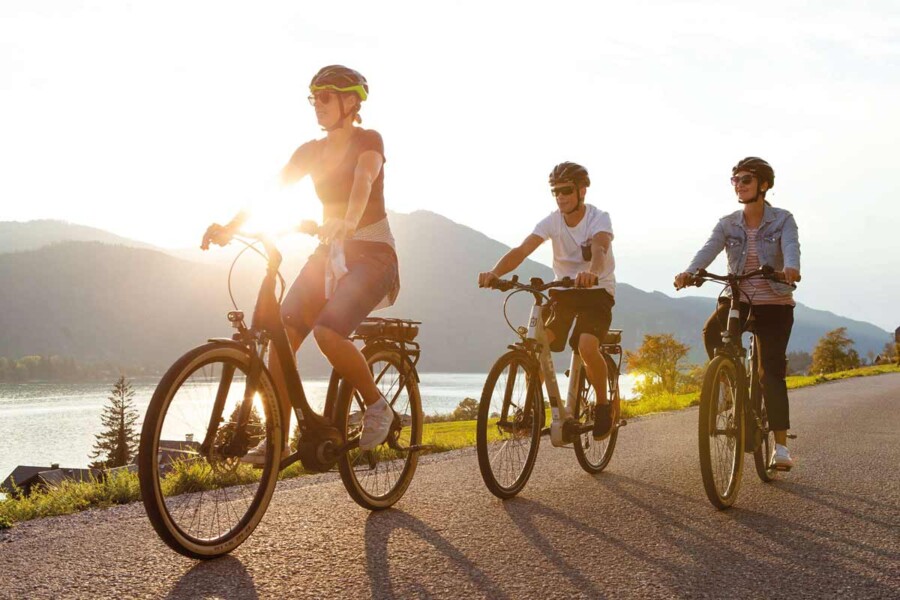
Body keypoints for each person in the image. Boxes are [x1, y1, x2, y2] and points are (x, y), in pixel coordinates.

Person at [202, 65, 400, 459]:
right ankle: (279, 434)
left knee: (328, 333)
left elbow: (364, 178)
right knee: (282, 335)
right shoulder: (310, 151)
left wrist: (348, 219)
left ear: (350, 101)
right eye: (314, 97)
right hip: (331, 252)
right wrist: (231, 226)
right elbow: (271, 189)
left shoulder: (368, 141)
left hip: (374, 255)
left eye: (325, 96)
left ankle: (378, 407)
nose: (318, 104)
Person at [674, 157, 801, 470]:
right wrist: (690, 272)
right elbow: (709, 249)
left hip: (774, 302)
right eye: (735, 180)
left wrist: (791, 269)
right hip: (738, 298)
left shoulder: (783, 219)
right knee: (711, 332)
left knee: (769, 371)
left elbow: (792, 246)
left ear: (764, 185)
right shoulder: (727, 223)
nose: (739, 185)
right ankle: (730, 386)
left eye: (746, 179)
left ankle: (781, 447)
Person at [478, 162, 617, 439]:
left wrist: (591, 273)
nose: (561, 196)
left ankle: (604, 406)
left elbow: (600, 248)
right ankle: (533, 410)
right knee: (539, 343)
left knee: (586, 345)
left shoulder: (598, 218)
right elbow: (522, 249)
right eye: (555, 192)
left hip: (596, 292)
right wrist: (495, 273)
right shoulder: (552, 221)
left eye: (566, 190)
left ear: (582, 191)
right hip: (563, 293)